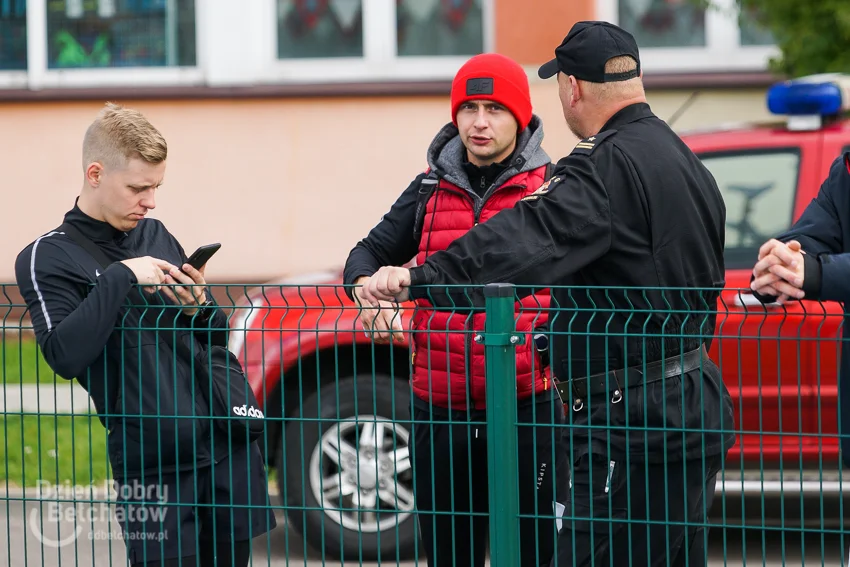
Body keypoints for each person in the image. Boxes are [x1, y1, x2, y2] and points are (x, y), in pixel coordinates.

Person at [361, 21, 737, 567]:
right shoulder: (682, 157)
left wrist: (424, 278)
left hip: (630, 422)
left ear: (573, 89)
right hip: (689, 404)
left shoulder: (603, 166)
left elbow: (527, 241)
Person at [14, 102, 276, 567]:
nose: (151, 201)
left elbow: (210, 340)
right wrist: (120, 277)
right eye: (138, 188)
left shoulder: (156, 233)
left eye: (156, 187)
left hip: (226, 447)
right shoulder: (46, 257)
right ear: (95, 173)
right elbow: (63, 356)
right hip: (154, 468)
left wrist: (201, 307)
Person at [343, 53, 565, 567]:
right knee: (448, 554)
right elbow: (368, 252)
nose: (479, 122)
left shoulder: (553, 188)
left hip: (525, 408)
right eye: (468, 108)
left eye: (494, 108)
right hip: (438, 409)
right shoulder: (428, 188)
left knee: (533, 553)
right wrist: (365, 292)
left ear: (521, 117)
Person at [750, 150, 850, 468]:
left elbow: (817, 269)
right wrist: (782, 263)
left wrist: (819, 273)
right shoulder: (846, 171)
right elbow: (813, 232)